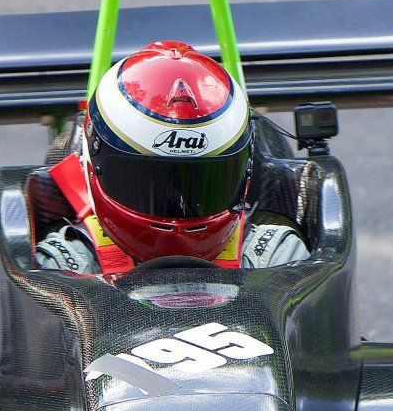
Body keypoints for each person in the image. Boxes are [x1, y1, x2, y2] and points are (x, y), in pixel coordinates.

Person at [34, 40, 310, 275]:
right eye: (146, 182)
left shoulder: (274, 258)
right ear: (96, 163)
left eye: (204, 184)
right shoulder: (68, 265)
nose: (179, 208)